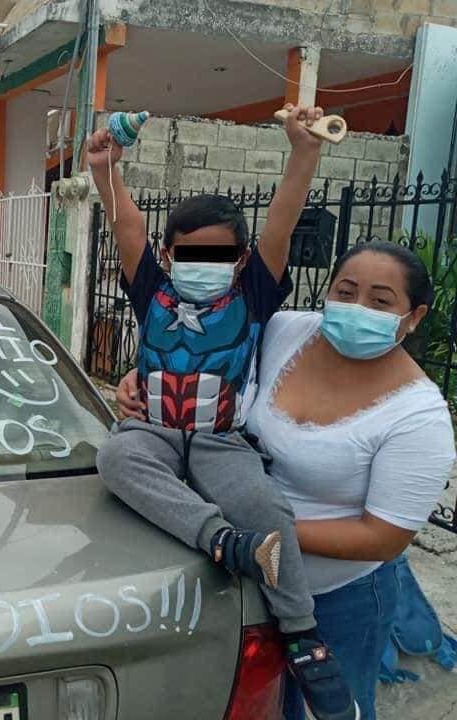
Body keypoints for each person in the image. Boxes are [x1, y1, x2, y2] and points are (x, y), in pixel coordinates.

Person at [88, 106, 363, 720]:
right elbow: (126, 225)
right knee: (115, 457)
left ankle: (303, 637)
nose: (203, 265)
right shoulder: (150, 289)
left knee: (267, 508)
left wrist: (304, 154)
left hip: (221, 438)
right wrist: (107, 172)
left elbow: (283, 223)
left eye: (219, 254)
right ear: (169, 251)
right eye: (190, 253)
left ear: (240, 257)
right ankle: (225, 544)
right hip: (152, 429)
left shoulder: (255, 292)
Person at [114, 241, 456, 720]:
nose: (357, 308)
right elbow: (207, 361)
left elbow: (384, 537)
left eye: (380, 301)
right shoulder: (287, 332)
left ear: (413, 316)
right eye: (346, 291)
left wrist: (267, 539)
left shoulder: (417, 417)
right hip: (235, 577)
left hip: (337, 599)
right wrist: (141, 380)